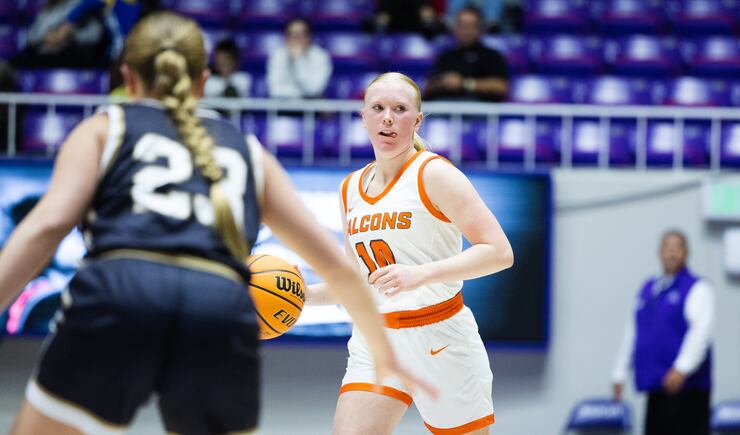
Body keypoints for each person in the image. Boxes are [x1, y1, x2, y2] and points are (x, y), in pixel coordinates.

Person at [0, 12, 430, 435]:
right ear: (203, 81)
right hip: (216, 305)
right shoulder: (247, 149)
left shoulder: (103, 128)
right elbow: (335, 265)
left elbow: (47, 226)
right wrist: (383, 350)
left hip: (120, 292)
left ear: (128, 77)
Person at [306, 72, 514, 434]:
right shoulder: (350, 188)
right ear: (363, 117)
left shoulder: (434, 174)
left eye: (399, 109)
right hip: (377, 337)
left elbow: (499, 251)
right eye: (378, 108)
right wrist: (302, 295)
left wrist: (420, 274)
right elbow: (358, 282)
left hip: (440, 336)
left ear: (417, 121)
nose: (388, 118)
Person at [611, 230, 714, 435]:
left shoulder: (697, 287)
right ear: (659, 252)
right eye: (667, 247)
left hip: (687, 390)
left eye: (677, 247)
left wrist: (682, 369)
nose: (672, 253)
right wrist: (619, 371)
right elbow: (633, 332)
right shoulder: (649, 289)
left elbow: (701, 333)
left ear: (686, 252)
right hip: (656, 386)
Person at [424, 6, 509, 102]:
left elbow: (501, 87)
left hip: (479, 107)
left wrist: (464, 83)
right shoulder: (445, 56)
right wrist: (442, 83)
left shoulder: (491, 56)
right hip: (445, 106)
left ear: (479, 29)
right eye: (461, 25)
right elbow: (427, 88)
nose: (464, 31)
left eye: (469, 26)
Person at [11, 0, 106, 69]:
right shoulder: (47, 9)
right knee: (18, 60)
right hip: (45, 53)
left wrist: (70, 34)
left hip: (71, 53)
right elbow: (31, 37)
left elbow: (95, 35)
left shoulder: (81, 5)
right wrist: (45, 38)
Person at [267, 17, 332, 99]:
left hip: (312, 105)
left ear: (309, 37)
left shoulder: (320, 56)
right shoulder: (277, 55)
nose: (295, 39)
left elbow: (314, 90)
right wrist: (299, 95)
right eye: (291, 34)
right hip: (282, 104)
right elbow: (274, 90)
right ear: (285, 37)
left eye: (300, 35)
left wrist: (298, 61)